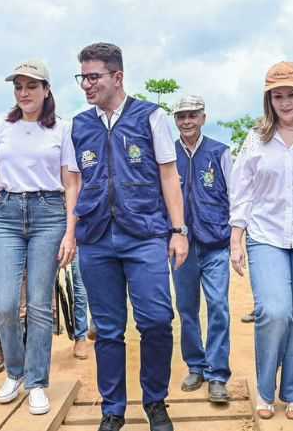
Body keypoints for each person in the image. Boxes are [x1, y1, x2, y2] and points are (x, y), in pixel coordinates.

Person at [69, 42, 187, 431]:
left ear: (117, 77)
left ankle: (155, 401)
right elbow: (73, 182)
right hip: (96, 236)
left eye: (94, 77)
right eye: (82, 77)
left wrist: (179, 230)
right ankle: (113, 408)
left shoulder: (150, 117)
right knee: (107, 328)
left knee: (156, 319)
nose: (86, 84)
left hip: (145, 234)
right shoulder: (80, 125)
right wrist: (71, 233)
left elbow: (170, 176)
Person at [0, 60, 78, 413]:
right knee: (4, 305)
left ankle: (36, 381)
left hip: (49, 214)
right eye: (18, 86)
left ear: (46, 90)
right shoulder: (2, 126)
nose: (24, 93)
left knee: (38, 305)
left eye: (31, 86)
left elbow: (71, 183)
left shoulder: (61, 130)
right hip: (6, 215)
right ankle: (14, 372)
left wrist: (70, 232)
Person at [230, 62, 293, 420]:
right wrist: (235, 236)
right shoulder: (256, 139)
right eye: (278, 96)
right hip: (267, 235)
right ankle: (264, 388)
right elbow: (242, 190)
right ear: (268, 99)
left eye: (292, 94)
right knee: (274, 312)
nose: (285, 102)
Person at [172, 95, 232, 403]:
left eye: (192, 115)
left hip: (216, 243)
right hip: (181, 246)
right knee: (186, 308)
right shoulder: (167, 155)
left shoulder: (220, 153)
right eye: (181, 116)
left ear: (203, 117)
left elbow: (235, 197)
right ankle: (196, 366)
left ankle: (218, 374)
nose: (186, 121)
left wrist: (235, 239)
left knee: (219, 306)